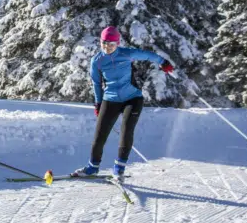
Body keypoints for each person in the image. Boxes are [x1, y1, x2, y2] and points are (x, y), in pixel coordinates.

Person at [71, 26, 174, 181]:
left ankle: (119, 169)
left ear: (117, 44)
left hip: (132, 98)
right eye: (104, 43)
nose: (107, 47)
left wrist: (163, 62)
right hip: (110, 99)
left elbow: (146, 55)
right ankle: (92, 167)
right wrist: (98, 103)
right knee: (99, 135)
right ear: (101, 42)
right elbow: (96, 84)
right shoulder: (97, 61)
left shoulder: (127, 54)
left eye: (111, 44)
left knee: (126, 130)